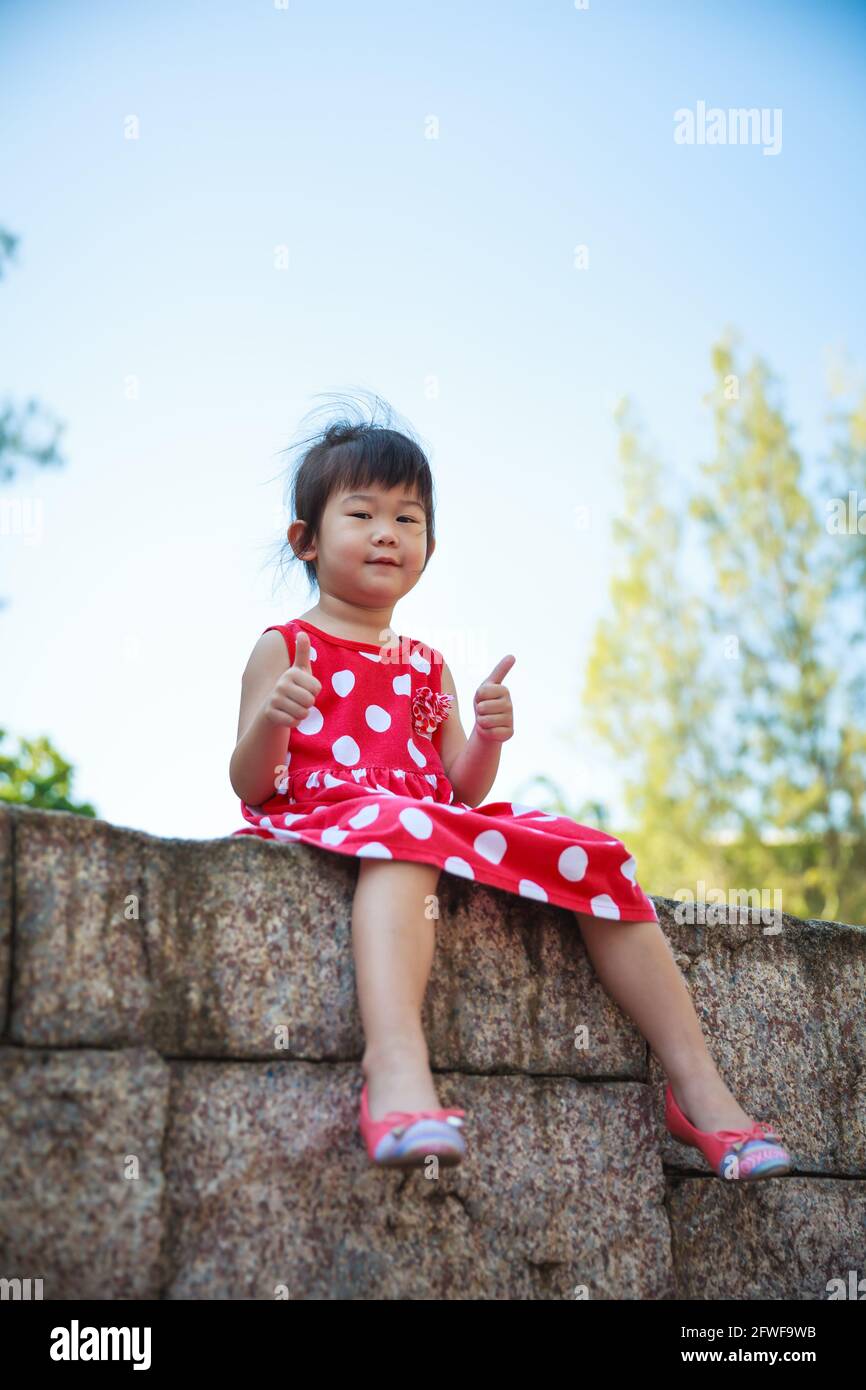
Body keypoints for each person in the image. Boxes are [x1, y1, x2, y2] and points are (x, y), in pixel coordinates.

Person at [229, 397, 792, 1180]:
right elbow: (253, 786)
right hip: (339, 814)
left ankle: (701, 1091)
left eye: (409, 518)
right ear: (307, 541)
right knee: (405, 827)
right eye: (362, 513)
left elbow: (457, 789)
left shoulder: (427, 664)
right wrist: (275, 722)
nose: (388, 532)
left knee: (595, 854)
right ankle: (396, 1075)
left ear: (430, 544)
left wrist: (487, 735)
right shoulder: (286, 645)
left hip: (419, 815)